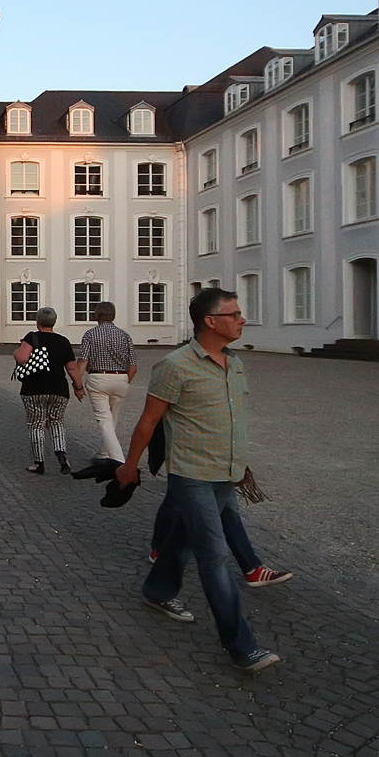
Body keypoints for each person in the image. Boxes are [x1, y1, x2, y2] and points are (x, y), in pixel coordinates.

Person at [114, 287, 288, 673]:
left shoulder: (235, 364)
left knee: (183, 539)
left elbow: (230, 419)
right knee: (214, 555)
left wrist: (239, 463)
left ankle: (157, 590)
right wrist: (129, 465)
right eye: (234, 314)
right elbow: (148, 421)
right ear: (211, 321)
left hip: (225, 473)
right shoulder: (175, 366)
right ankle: (241, 646)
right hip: (191, 474)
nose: (242, 320)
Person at [68, 301, 136, 461]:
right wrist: (125, 380)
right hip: (121, 377)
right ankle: (104, 453)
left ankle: (119, 460)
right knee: (113, 419)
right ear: (113, 316)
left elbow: (83, 362)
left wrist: (77, 385)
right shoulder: (125, 335)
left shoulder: (90, 335)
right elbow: (133, 366)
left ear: (96, 316)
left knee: (104, 420)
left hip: (98, 378)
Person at [13, 306, 76, 474]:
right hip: (59, 389)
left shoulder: (31, 337)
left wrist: (17, 350)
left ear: (38, 321)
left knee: (36, 424)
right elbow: (72, 368)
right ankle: (61, 454)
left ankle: (39, 463)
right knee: (56, 421)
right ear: (54, 321)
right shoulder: (63, 341)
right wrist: (78, 386)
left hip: (34, 388)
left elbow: (22, 358)